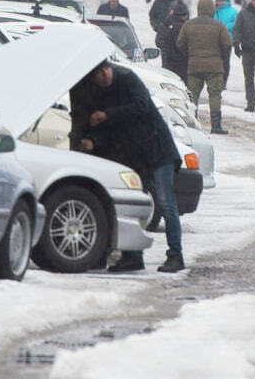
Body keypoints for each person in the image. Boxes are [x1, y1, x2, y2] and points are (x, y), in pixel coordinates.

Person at [74, 62, 185, 273]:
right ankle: (132, 256)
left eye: (106, 70)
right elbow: (112, 129)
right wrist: (94, 141)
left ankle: (175, 255)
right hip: (135, 157)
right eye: (98, 74)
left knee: (166, 203)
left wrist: (107, 115)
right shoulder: (101, 95)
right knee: (133, 207)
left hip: (158, 150)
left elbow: (141, 106)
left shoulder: (128, 78)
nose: (105, 75)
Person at [178, 0, 233, 134]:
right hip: (214, 66)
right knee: (214, 95)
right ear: (212, 9)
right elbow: (227, 44)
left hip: (194, 65)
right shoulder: (219, 25)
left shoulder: (188, 25)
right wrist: (221, 57)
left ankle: (192, 123)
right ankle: (215, 125)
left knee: (193, 96)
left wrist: (191, 54)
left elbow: (180, 44)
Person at [157, 0, 190, 81]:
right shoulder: (168, 24)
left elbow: (159, 41)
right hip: (173, 63)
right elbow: (159, 41)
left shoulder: (186, 25)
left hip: (174, 63)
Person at [214, 0, 238, 79]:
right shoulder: (213, 11)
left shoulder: (233, 11)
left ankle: (224, 80)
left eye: (222, 1)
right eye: (219, 1)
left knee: (225, 61)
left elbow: (236, 24)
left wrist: (225, 26)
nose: (220, 3)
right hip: (214, 40)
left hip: (227, 39)